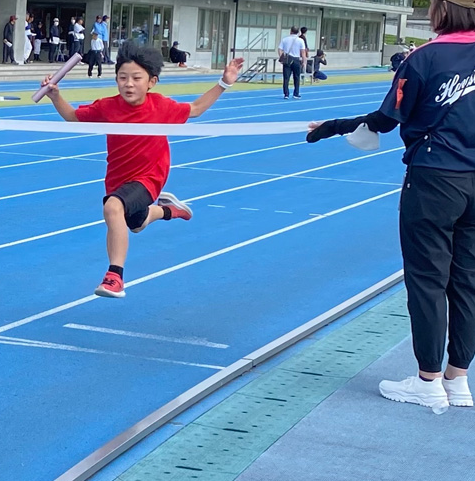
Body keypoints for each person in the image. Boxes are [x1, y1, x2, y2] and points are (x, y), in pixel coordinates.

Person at [305, 0, 475, 410]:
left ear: (442, 7)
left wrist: (333, 126)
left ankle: (428, 380)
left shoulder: (422, 60)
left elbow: (386, 120)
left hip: (434, 179)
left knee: (427, 280)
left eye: (431, 2)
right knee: (468, 279)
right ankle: (458, 380)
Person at [42, 41, 244, 298]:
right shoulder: (107, 107)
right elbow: (72, 117)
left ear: (152, 82)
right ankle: (169, 210)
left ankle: (115, 277)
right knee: (135, 225)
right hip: (118, 178)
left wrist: (224, 82)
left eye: (136, 78)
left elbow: (195, 109)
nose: (128, 84)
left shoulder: (161, 106)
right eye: (122, 78)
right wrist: (55, 96)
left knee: (113, 207)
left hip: (150, 176)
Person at [278, 26, 306, 99]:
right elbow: (303, 52)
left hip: (287, 59)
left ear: (291, 31)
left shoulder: (285, 39)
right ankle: (296, 93)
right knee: (296, 77)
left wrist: (282, 57)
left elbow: (280, 49)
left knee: (286, 77)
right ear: (298, 32)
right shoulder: (300, 40)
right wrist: (304, 62)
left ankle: (286, 94)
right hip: (296, 59)